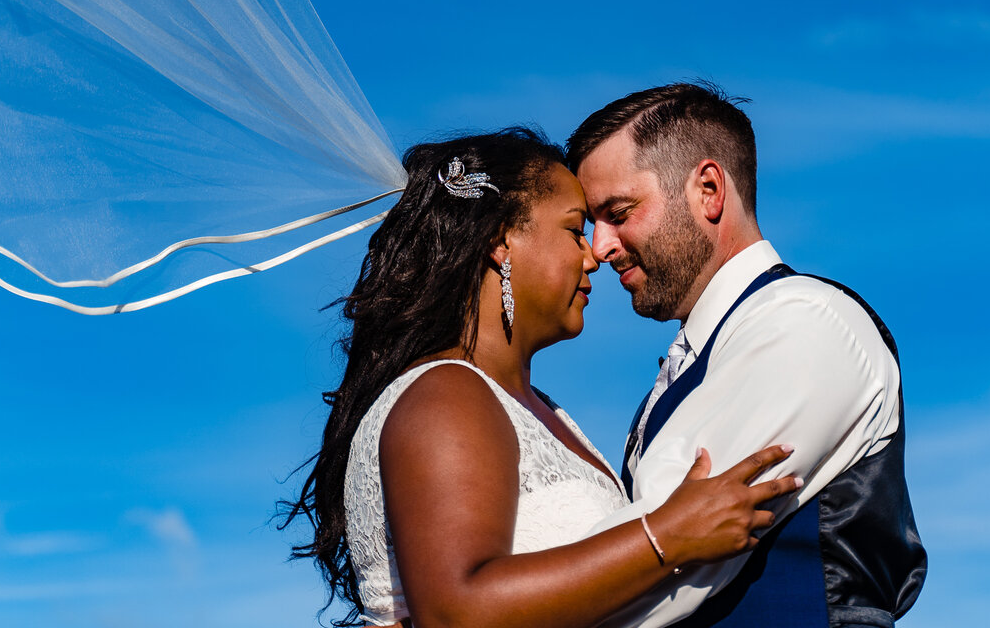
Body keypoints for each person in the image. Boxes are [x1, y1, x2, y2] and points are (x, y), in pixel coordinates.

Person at [284, 128, 805, 628]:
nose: (594, 255)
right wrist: (669, 535)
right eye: (574, 229)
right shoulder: (446, 393)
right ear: (500, 241)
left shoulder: (544, 411)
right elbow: (455, 612)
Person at [567, 83, 926, 628]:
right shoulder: (695, 359)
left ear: (709, 189)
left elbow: (668, 571)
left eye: (619, 212)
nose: (600, 246)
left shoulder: (805, 322)